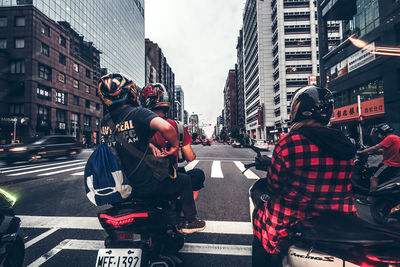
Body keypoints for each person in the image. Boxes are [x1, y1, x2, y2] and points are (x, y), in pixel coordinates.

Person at [252, 86, 357, 266]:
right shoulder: (344, 141)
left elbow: (274, 186)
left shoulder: (290, 141)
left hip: (294, 216)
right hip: (341, 215)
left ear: (298, 109)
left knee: (259, 225)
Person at [98, 73, 205, 234]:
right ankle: (189, 221)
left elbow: (121, 141)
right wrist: (175, 146)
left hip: (120, 185)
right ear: (130, 93)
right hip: (145, 184)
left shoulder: (105, 121)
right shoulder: (139, 114)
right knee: (184, 180)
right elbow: (167, 129)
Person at [140, 83, 205, 200]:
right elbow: (190, 157)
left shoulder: (137, 125)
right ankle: (183, 214)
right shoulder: (177, 127)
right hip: (167, 180)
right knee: (197, 175)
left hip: (141, 181)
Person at [357, 123, 400, 201]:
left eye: (379, 132)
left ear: (382, 132)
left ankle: (370, 199)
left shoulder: (389, 138)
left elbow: (377, 147)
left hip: (389, 164)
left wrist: (362, 152)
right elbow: (385, 149)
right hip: (396, 164)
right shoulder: (396, 137)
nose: (378, 135)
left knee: (373, 179)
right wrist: (373, 150)